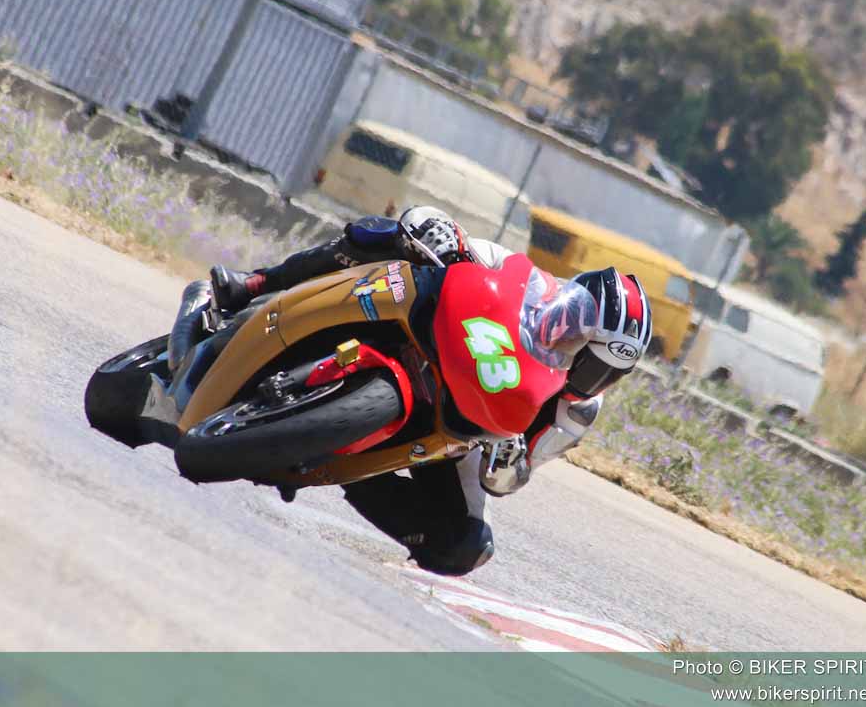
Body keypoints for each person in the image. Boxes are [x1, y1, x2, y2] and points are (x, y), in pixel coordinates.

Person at [183, 207, 652, 576]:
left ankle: (337, 459)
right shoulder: (524, 280)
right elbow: (427, 219)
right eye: (592, 354)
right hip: (427, 332)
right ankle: (257, 283)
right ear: (573, 310)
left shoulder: (576, 412)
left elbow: (506, 481)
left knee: (465, 547)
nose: (591, 374)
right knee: (379, 234)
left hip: (459, 431)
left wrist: (511, 459)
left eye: (607, 371)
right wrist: (441, 238)